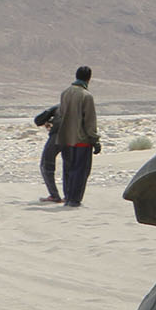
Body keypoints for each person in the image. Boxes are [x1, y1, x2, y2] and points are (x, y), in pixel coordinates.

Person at [54, 65, 101, 208]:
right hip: (81, 140)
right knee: (80, 170)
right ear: (89, 78)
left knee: (68, 169)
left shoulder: (65, 93)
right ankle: (75, 199)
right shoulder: (86, 96)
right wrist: (95, 140)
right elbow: (90, 121)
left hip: (66, 139)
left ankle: (68, 197)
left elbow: (61, 114)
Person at [33, 102, 63, 203]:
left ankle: (54, 195)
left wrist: (49, 121)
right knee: (69, 167)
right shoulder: (80, 107)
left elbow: (38, 120)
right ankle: (70, 196)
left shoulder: (59, 106)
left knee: (46, 165)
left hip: (58, 136)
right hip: (75, 138)